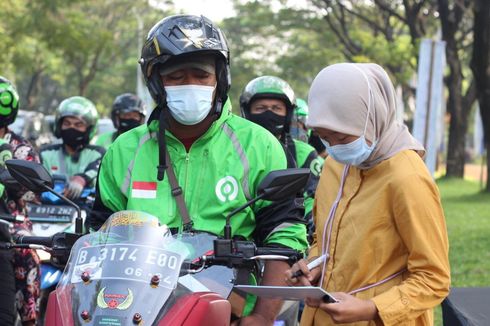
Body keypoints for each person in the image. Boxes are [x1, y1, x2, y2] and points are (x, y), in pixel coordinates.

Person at [87, 14, 308, 325]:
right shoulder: (124, 150)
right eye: (176, 76)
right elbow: (100, 232)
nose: (190, 84)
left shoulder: (260, 145)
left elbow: (284, 233)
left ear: (220, 79)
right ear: (156, 82)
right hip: (135, 310)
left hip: (228, 310)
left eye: (201, 75)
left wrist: (262, 316)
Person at [285, 63, 450, 325]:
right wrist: (313, 266)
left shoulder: (407, 178)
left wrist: (372, 308)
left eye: (340, 136)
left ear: (371, 119)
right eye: (324, 137)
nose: (334, 148)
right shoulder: (333, 165)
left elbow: (434, 277)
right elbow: (326, 239)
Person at [240, 76, 323, 241]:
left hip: (288, 237)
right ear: (247, 111)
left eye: (276, 108)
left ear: (288, 113)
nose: (269, 113)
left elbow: (311, 199)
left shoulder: (305, 153)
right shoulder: (234, 149)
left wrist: (310, 224)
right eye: (261, 108)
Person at [0, 76, 40, 326]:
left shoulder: (20, 148)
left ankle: (29, 317)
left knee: (28, 252)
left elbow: (34, 192)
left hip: (10, 221)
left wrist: (13, 180)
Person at [40, 96, 105, 200]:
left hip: (85, 210)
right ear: (59, 125)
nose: (72, 128)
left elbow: (96, 171)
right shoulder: (46, 153)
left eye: (78, 125)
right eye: (67, 123)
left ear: (89, 129)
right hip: (47, 210)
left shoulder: (97, 153)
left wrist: (81, 179)